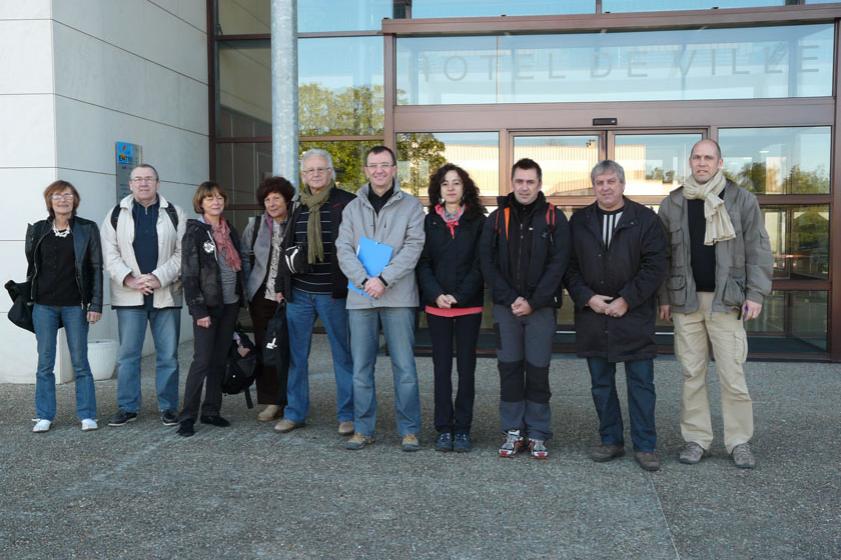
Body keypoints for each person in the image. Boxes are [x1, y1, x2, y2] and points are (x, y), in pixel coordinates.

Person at [658, 139, 773, 469]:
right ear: (690, 161)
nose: (702, 163)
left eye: (708, 157)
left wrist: (755, 294)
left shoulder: (741, 199)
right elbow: (663, 256)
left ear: (720, 163)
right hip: (686, 301)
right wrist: (665, 297)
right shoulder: (674, 202)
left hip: (728, 300)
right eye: (697, 157)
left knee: (732, 374)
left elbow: (759, 249)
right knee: (691, 373)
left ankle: (738, 441)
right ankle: (697, 439)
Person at [564, 160, 667, 471]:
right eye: (600, 182)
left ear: (622, 184)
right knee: (601, 384)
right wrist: (586, 297)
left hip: (633, 316)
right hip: (594, 316)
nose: (605, 187)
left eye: (611, 181)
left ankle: (645, 445)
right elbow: (567, 267)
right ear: (593, 186)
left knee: (641, 384)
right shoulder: (579, 221)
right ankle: (611, 440)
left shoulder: (645, 220)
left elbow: (655, 266)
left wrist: (627, 299)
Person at [336, 145, 425, 452]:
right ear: (366, 170)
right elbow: (343, 249)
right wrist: (364, 280)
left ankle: (410, 430)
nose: (379, 170)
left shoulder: (411, 206)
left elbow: (414, 248)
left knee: (404, 368)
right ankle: (363, 428)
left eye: (385, 165)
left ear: (394, 168)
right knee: (361, 368)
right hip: (360, 298)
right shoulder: (351, 208)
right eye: (373, 165)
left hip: (398, 295)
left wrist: (384, 279)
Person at [479, 158, 570, 459]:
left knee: (538, 369)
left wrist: (533, 301)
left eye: (530, 182)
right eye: (519, 181)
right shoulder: (496, 218)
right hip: (506, 309)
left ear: (539, 184)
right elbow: (487, 262)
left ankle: (538, 432)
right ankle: (512, 430)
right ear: (512, 182)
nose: (524, 187)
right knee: (509, 369)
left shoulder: (554, 217)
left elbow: (559, 264)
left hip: (541, 309)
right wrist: (510, 298)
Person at [273, 149, 357, 436]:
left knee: (343, 356)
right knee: (297, 357)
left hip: (334, 294)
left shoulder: (348, 203)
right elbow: (287, 247)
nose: (315, 175)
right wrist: (281, 286)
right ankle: (295, 412)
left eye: (321, 169)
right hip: (299, 294)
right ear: (303, 175)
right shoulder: (298, 205)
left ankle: (348, 415)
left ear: (331, 172)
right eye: (310, 171)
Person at [101, 163, 186, 427]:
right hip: (129, 296)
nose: (143, 183)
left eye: (148, 179)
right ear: (131, 184)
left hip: (166, 294)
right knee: (128, 356)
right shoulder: (117, 213)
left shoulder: (174, 213)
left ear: (158, 183)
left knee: (168, 356)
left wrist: (158, 277)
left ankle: (169, 407)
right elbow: (109, 252)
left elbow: (182, 253)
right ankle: (128, 407)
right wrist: (131, 279)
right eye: (138, 179)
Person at [417, 163, 486, 453]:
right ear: (439, 189)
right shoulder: (428, 221)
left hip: (468, 307)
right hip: (438, 308)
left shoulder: (479, 220)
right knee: (442, 370)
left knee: (467, 370)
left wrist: (459, 295)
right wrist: (437, 294)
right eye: (445, 183)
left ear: (465, 187)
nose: (451, 188)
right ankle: (444, 428)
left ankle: (464, 429)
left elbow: (481, 263)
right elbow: (422, 263)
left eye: (456, 182)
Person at [26, 180, 103, 432]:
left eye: (67, 195)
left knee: (80, 362)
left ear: (75, 200)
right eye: (57, 195)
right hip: (44, 306)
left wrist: (96, 303)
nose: (63, 199)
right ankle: (45, 415)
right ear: (50, 201)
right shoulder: (38, 230)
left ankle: (87, 414)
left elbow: (96, 269)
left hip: (75, 305)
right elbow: (32, 268)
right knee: (45, 363)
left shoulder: (87, 229)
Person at [177, 181, 245, 437]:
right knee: (202, 361)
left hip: (230, 304)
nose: (215, 202)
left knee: (218, 361)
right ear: (201, 203)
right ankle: (187, 416)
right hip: (207, 308)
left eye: (219, 197)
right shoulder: (195, 231)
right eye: (209, 199)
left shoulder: (230, 231)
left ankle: (211, 411)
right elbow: (189, 275)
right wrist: (198, 311)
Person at [241, 176, 296, 422]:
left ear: (287, 200)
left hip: (292, 295)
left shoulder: (297, 221)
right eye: (267, 199)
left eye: (277, 198)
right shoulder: (255, 225)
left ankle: (294, 401)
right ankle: (272, 401)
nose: (272, 204)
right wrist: (245, 290)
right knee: (268, 350)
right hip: (263, 297)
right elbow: (243, 258)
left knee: (293, 351)